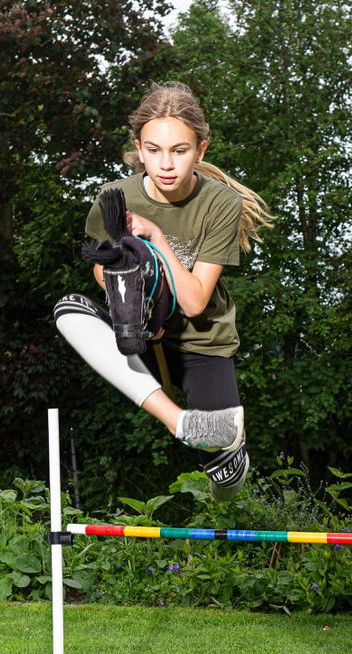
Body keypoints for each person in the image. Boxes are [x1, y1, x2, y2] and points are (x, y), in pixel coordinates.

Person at [54, 82, 273, 500]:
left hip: (201, 341)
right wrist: (130, 299)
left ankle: (226, 455)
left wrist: (155, 236)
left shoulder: (221, 203)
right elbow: (102, 275)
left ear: (201, 151)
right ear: (138, 147)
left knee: (226, 480)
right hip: (137, 333)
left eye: (179, 150)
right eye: (153, 150)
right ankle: (179, 422)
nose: (166, 164)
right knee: (68, 310)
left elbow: (193, 301)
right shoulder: (113, 199)